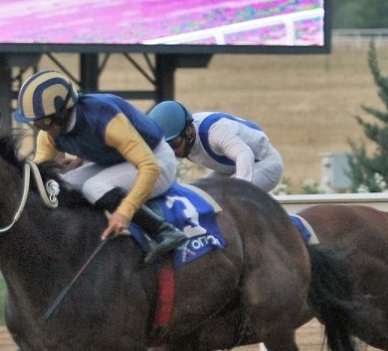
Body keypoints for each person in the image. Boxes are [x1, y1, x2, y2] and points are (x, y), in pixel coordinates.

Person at [15, 70, 188, 263]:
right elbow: (39, 179)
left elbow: (149, 166)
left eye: (43, 121)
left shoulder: (105, 120)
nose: (39, 129)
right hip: (116, 162)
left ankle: (164, 231)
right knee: (60, 184)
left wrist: (124, 212)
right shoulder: (49, 134)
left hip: (156, 161)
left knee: (94, 187)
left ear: (62, 114)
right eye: (35, 123)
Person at [148, 101, 285, 192]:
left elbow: (244, 154)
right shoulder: (181, 133)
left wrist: (239, 195)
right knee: (192, 192)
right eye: (166, 145)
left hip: (265, 164)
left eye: (174, 143)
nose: (172, 151)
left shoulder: (215, 131)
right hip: (228, 170)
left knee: (227, 196)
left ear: (188, 131)